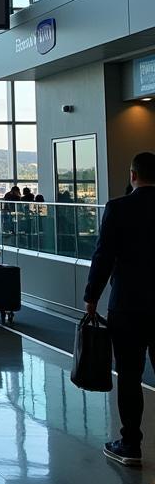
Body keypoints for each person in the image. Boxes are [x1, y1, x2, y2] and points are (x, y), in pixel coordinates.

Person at [84, 151, 155, 467]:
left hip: (128, 305)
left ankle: (130, 444)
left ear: (133, 175)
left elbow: (104, 256)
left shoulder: (118, 208)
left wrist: (92, 295)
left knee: (129, 374)